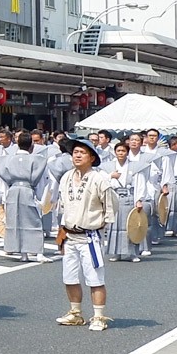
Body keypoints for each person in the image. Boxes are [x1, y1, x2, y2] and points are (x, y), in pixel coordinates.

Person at [54, 138, 117, 329]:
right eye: (75, 152)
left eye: (82, 152)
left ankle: (98, 316)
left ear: (91, 157)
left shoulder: (99, 179)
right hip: (69, 234)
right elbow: (62, 205)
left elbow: (111, 205)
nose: (77, 155)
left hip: (90, 235)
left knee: (95, 277)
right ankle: (75, 312)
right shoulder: (66, 177)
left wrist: (101, 226)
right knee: (70, 276)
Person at [0, 131, 47, 261]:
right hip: (27, 189)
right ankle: (37, 252)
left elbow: (3, 174)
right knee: (33, 220)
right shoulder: (37, 159)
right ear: (31, 146)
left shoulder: (7, 159)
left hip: (13, 190)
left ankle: (22, 252)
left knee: (15, 220)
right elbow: (39, 180)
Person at [102, 141, 150, 263]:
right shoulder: (109, 167)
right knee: (115, 226)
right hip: (115, 198)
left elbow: (140, 183)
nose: (121, 153)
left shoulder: (134, 167)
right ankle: (116, 252)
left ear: (127, 153)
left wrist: (139, 200)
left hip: (129, 198)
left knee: (130, 226)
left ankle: (132, 253)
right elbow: (101, 182)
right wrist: (110, 176)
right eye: (118, 151)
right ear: (115, 152)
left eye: (123, 151)